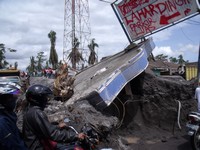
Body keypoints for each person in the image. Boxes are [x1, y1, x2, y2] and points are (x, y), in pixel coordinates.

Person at [22, 84, 85, 150]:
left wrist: (57, 126)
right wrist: (75, 136)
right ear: (38, 99)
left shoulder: (30, 111)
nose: (46, 100)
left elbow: (43, 128)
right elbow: (53, 134)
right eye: (44, 97)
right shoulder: (37, 113)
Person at [0, 82, 27, 150]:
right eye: (12, 97)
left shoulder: (8, 115)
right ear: (5, 100)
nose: (15, 100)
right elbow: (13, 145)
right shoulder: (2, 122)